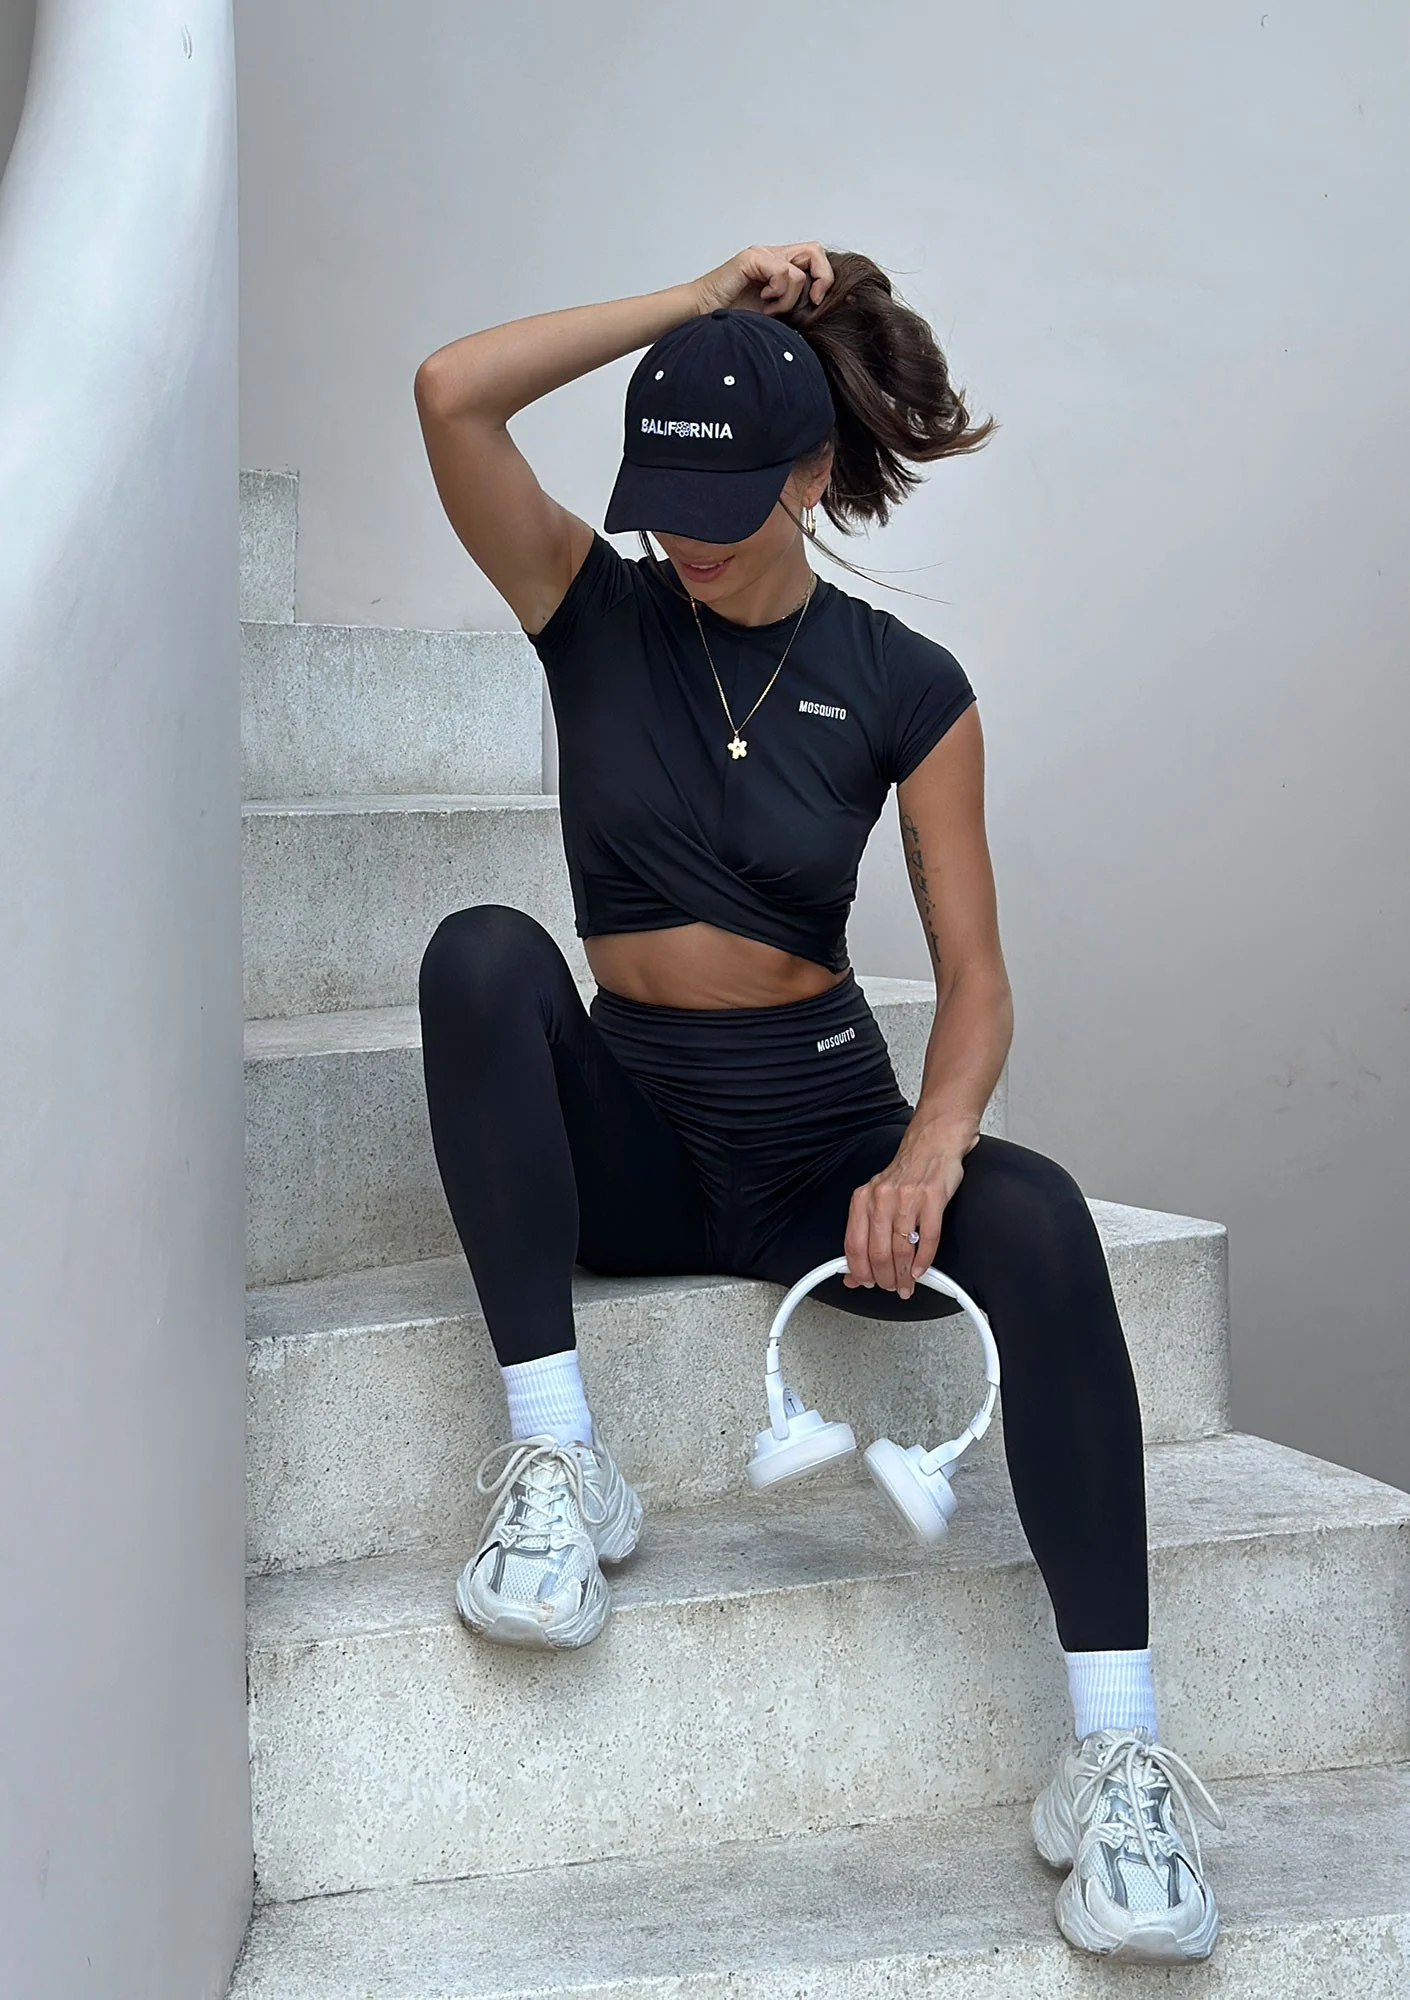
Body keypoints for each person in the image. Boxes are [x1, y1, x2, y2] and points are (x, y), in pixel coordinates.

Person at [412, 241, 1226, 1963]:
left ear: (805, 475)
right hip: (635, 1145)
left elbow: (976, 981)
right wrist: (694, 300)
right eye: (659, 502)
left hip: (819, 1157)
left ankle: (1114, 1759)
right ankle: (561, 1465)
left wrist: (927, 1149)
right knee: (479, 953)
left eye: (719, 502)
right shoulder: (590, 611)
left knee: (1041, 1216)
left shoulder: (906, 685)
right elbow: (451, 393)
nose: (681, 538)